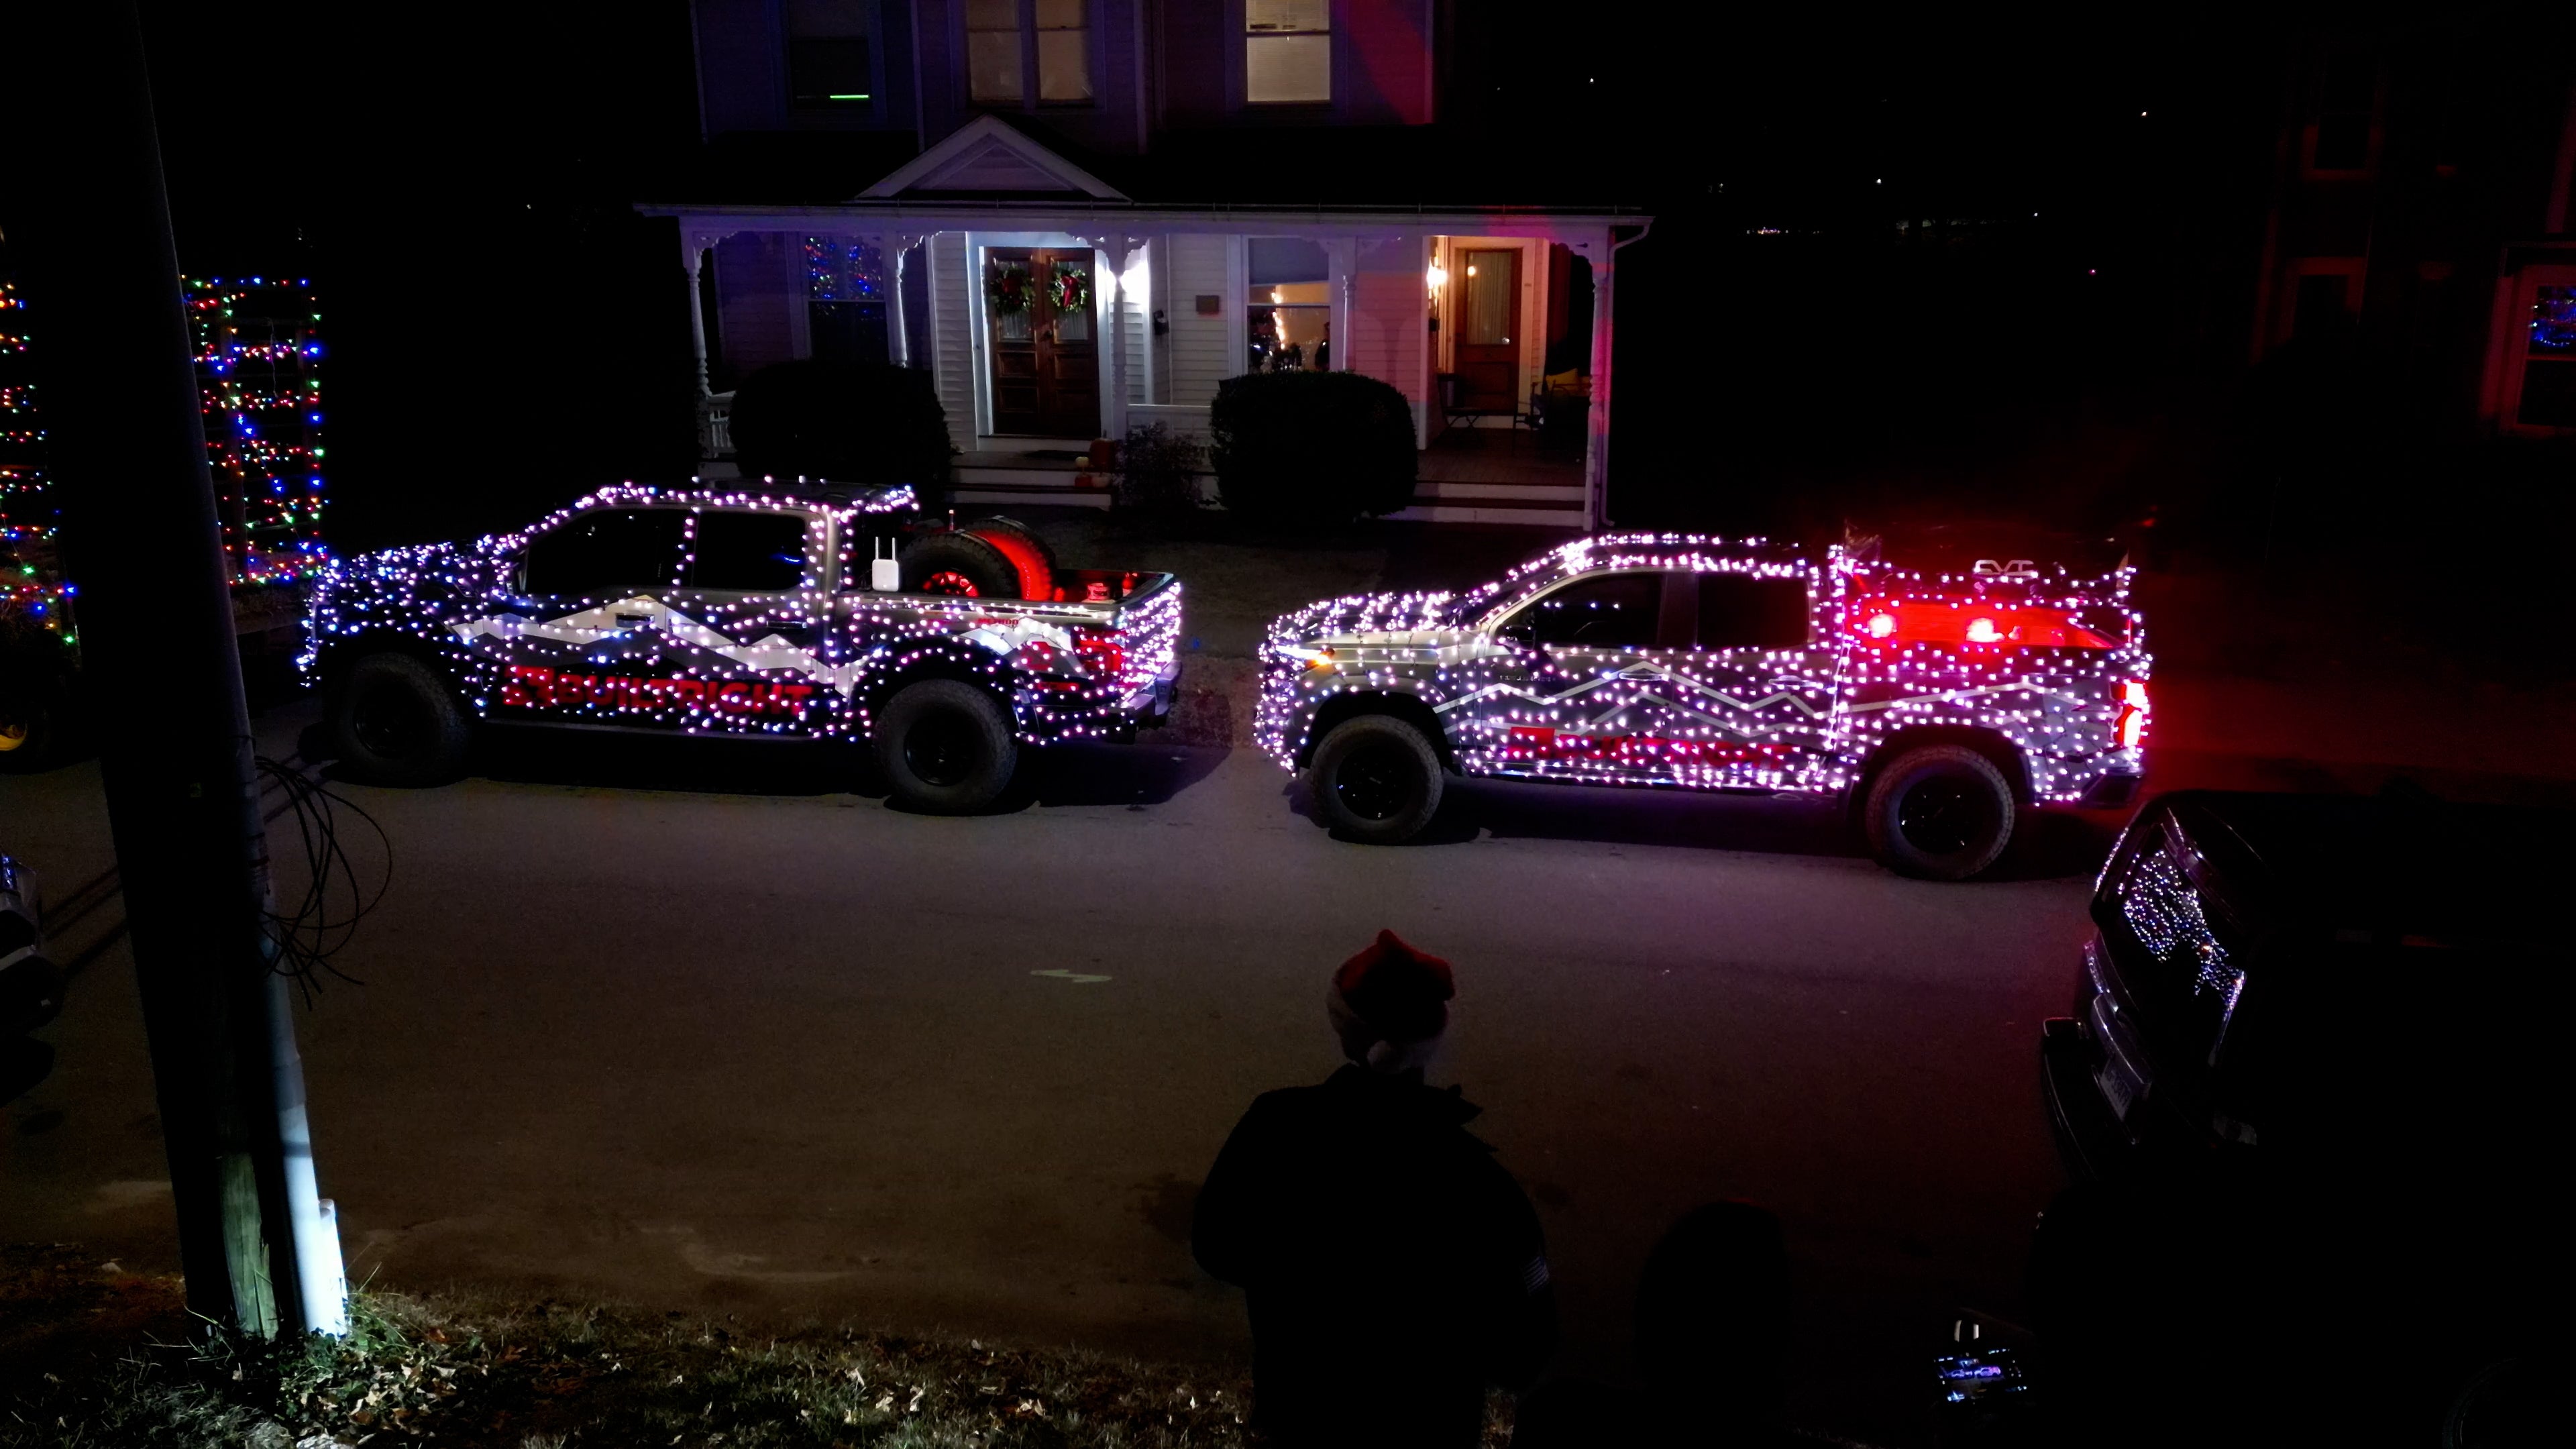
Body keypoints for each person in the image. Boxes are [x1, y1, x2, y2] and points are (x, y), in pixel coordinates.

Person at [1193, 929, 1556, 1448]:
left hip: (1300, 1422)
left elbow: (1214, 1245)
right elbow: (1526, 1349)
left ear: (1346, 1035)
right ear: (1435, 1038)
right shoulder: (1479, 1183)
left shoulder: (1274, 1130)